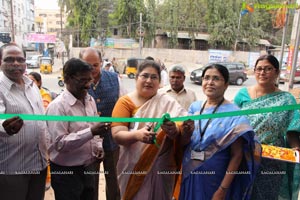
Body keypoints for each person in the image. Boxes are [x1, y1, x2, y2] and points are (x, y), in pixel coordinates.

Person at [111, 60, 194, 200]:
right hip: (134, 167)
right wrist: (137, 135)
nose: (149, 81)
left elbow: (181, 132)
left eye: (154, 77)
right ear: (136, 78)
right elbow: (117, 134)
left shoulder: (167, 102)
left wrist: (175, 129)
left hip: (162, 166)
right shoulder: (125, 102)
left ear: (160, 81)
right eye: (144, 76)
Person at [179, 64, 260, 200]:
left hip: (216, 179)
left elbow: (237, 155)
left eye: (216, 78)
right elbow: (185, 142)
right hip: (190, 173)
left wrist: (222, 189)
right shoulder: (195, 107)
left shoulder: (234, 115)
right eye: (206, 78)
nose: (210, 82)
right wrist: (186, 133)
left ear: (226, 84)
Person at [234, 54, 300, 200]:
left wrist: (295, 148)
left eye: (268, 69)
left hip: (273, 159)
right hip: (244, 155)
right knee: (242, 193)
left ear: (276, 72)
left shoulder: (286, 99)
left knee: (266, 195)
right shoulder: (242, 95)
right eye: (259, 69)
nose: (262, 73)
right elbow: (232, 123)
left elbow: (293, 127)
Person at [46, 58, 110, 200]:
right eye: (83, 80)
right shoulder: (58, 107)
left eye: (90, 80)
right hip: (66, 173)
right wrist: (91, 132)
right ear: (67, 79)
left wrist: (99, 147)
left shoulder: (89, 100)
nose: (88, 85)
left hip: (88, 167)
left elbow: (95, 128)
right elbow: (60, 144)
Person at [0, 43, 48, 200]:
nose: (16, 63)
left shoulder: (31, 85)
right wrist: (4, 126)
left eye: (20, 59)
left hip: (38, 165)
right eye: (9, 59)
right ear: (0, 62)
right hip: (12, 169)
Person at [80, 47, 125, 200]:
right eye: (87, 65)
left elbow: (123, 107)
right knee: (90, 183)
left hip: (112, 141)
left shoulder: (115, 79)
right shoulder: (76, 83)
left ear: (101, 63)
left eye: (95, 65)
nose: (92, 69)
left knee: (114, 181)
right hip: (87, 143)